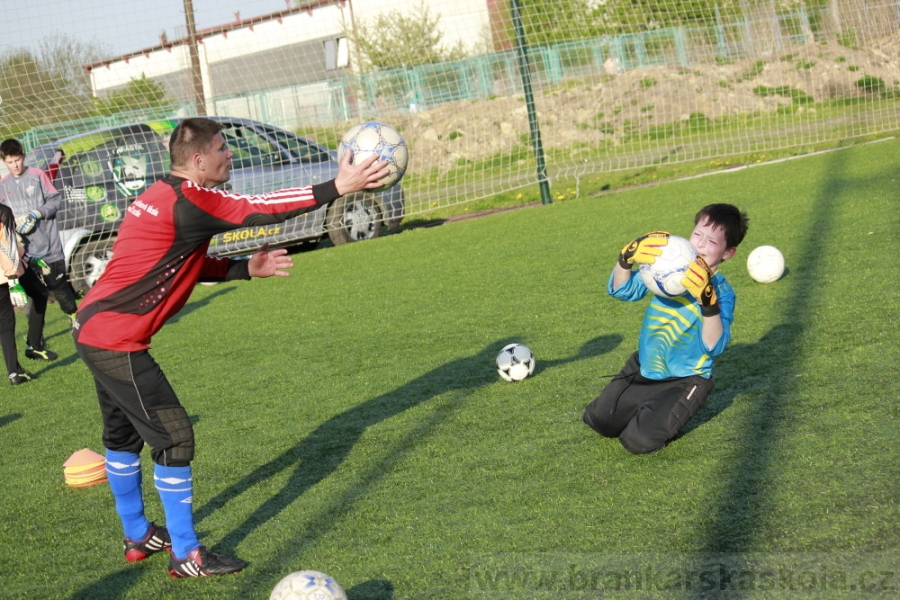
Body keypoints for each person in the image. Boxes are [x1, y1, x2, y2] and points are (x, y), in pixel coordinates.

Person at [72, 117, 389, 579]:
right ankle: (186, 553)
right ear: (198, 160)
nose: (230, 154)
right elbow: (259, 208)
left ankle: (137, 533)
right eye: (223, 148)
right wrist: (337, 186)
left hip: (92, 327)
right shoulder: (192, 198)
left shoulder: (157, 195)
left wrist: (243, 269)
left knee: (123, 437)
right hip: (115, 341)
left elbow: (178, 261)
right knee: (175, 436)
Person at [582, 204, 749, 454]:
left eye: (712, 241)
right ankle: (644, 405)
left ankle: (661, 411)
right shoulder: (668, 266)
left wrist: (707, 301)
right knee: (599, 421)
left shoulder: (721, 292)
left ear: (729, 252)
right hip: (645, 369)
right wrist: (625, 260)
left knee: (638, 442)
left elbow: (714, 345)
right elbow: (622, 290)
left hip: (685, 381)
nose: (701, 245)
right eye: (697, 234)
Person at [0, 139, 79, 335]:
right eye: (10, 162)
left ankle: (74, 318)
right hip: (25, 252)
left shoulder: (38, 176)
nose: (15, 165)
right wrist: (14, 227)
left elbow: (55, 200)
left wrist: (37, 213)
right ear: (4, 162)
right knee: (32, 294)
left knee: (58, 287)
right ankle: (36, 338)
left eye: (17, 160)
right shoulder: (3, 185)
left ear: (23, 157)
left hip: (48, 247)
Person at [0, 203, 53, 384]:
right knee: (6, 322)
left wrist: (28, 258)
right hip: (9, 270)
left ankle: (32, 347)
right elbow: (4, 245)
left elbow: (9, 242)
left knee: (39, 293)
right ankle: (17, 369)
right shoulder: (3, 211)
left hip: (14, 265)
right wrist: (13, 278)